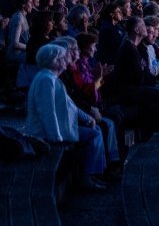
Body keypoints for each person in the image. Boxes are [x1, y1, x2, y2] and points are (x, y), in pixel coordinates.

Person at [25, 44, 108, 191]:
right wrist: (57, 138)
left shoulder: (52, 78)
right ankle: (87, 177)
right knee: (94, 135)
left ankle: (93, 174)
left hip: (59, 129)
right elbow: (47, 112)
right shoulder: (46, 80)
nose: (66, 60)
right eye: (62, 58)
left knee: (95, 131)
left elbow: (71, 105)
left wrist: (88, 118)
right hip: (44, 134)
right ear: (54, 60)